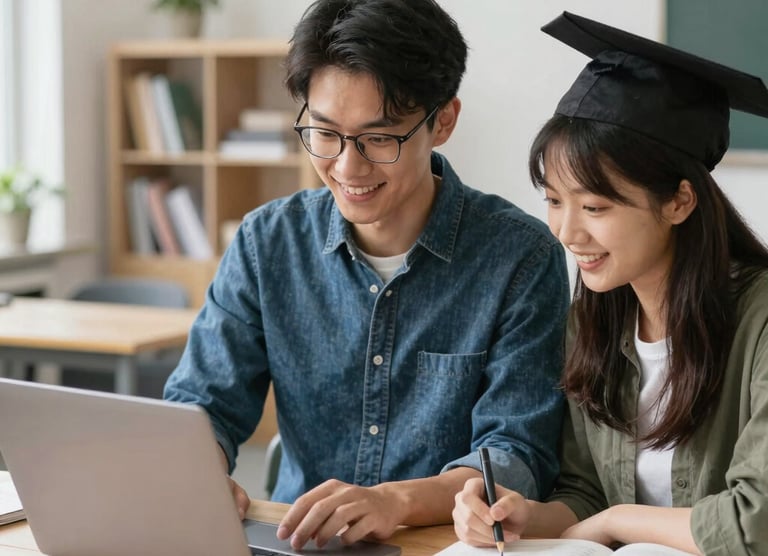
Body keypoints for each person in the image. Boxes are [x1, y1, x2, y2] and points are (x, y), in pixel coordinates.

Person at [163, 0, 570, 550]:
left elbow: (516, 454)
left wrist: (394, 501)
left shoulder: (518, 256)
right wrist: (198, 471)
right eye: (324, 133)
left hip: (439, 546)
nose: (348, 168)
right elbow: (202, 404)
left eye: (380, 139)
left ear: (443, 121)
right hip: (293, 541)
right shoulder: (268, 243)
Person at [452, 11, 768, 555]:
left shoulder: (759, 322)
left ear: (679, 202)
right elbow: (587, 492)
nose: (567, 232)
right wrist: (520, 515)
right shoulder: (595, 318)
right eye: (553, 200)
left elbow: (754, 520)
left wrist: (619, 521)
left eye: (594, 206)